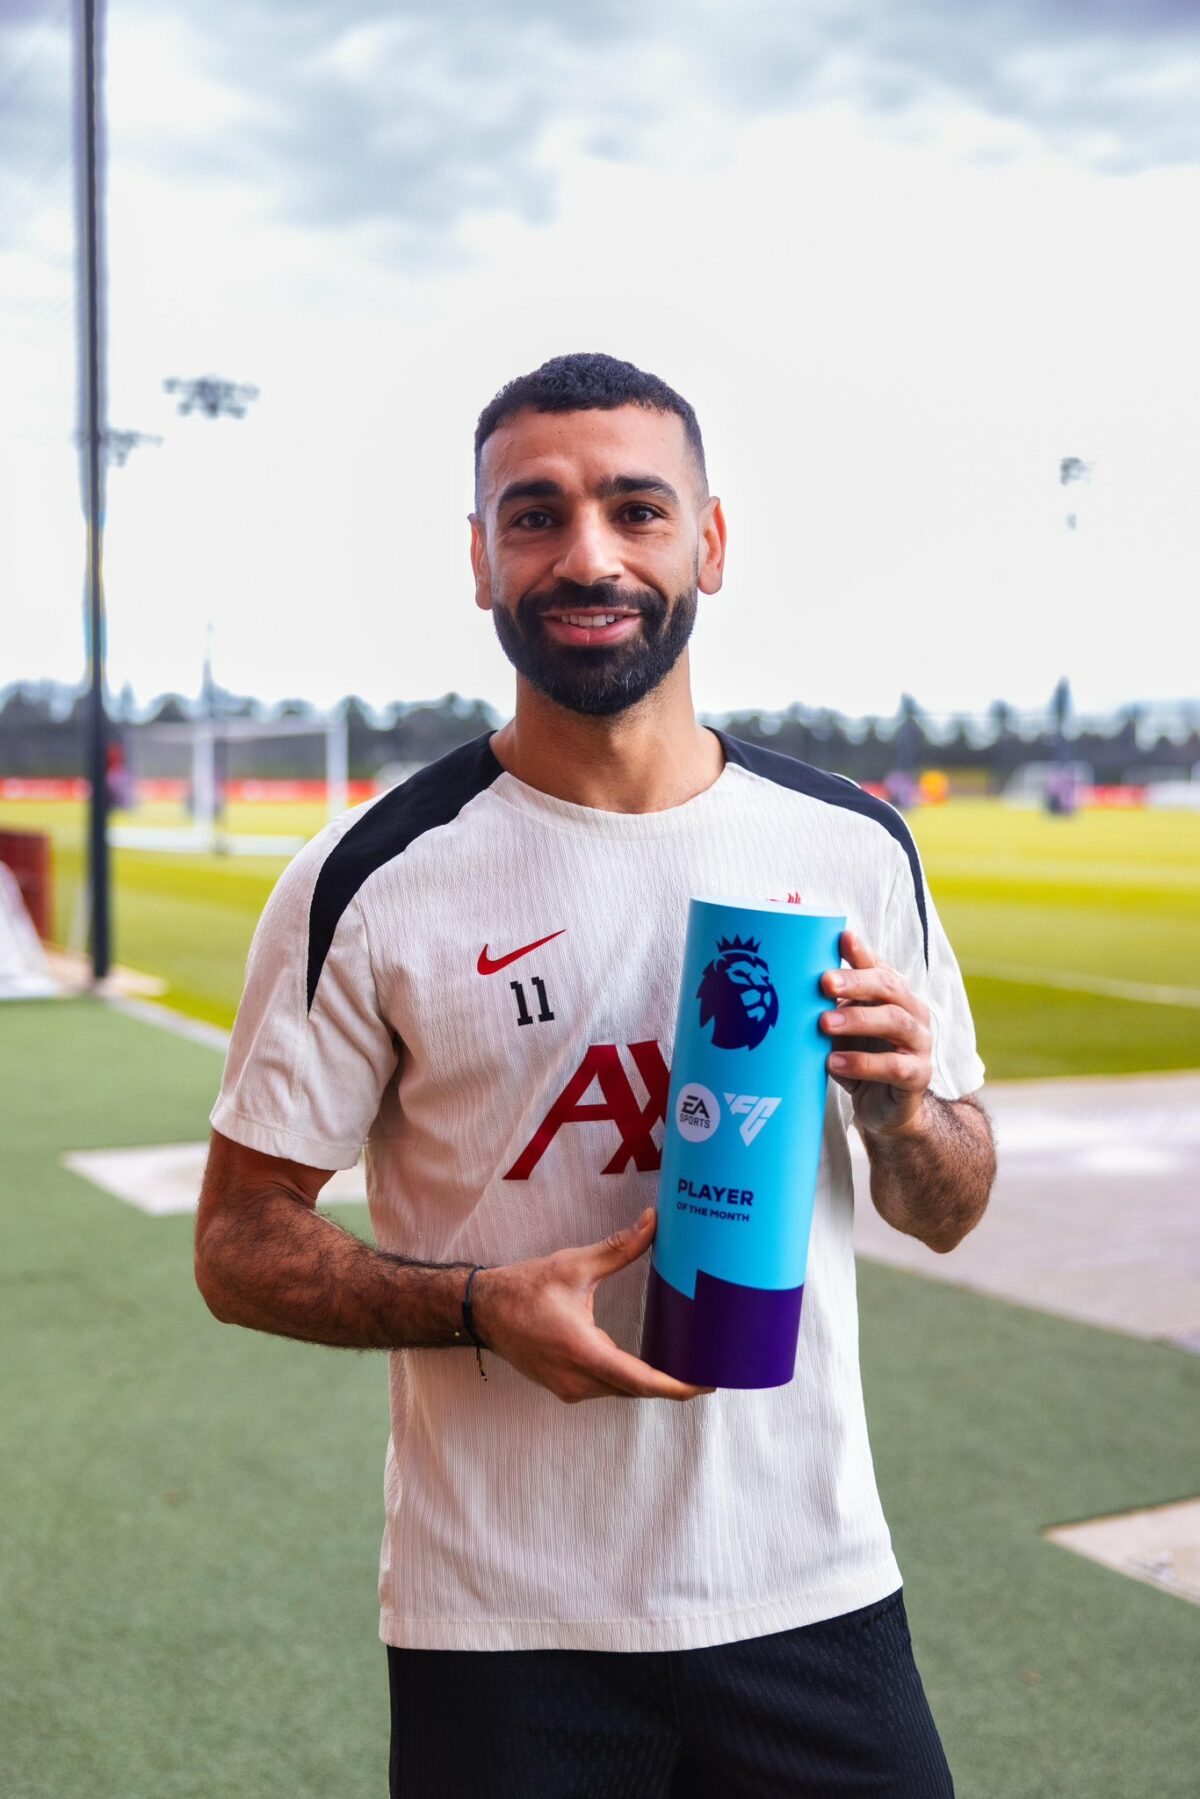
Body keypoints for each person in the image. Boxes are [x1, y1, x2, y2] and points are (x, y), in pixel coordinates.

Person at [196, 352, 996, 1798]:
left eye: (637, 509)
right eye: (534, 516)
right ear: (480, 559)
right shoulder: (372, 880)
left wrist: (901, 1114)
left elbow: (949, 1206)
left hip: (809, 1586)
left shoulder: (850, 849)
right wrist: (476, 1308)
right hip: (505, 1625)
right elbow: (239, 1244)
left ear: (710, 542)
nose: (588, 556)